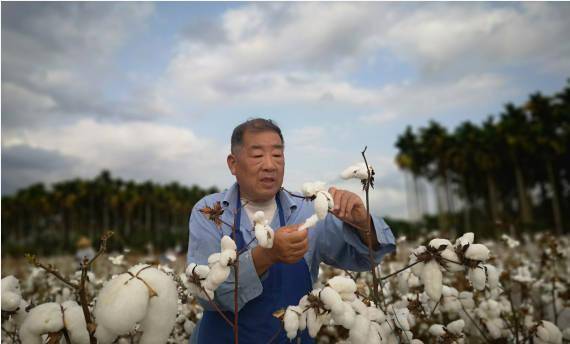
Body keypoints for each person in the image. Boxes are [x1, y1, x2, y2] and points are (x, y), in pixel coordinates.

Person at [187, 118, 396, 343]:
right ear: (233, 164)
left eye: (277, 155)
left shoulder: (308, 209)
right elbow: (208, 295)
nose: (270, 165)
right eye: (257, 155)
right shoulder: (210, 212)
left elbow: (367, 259)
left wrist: (362, 223)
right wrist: (267, 255)